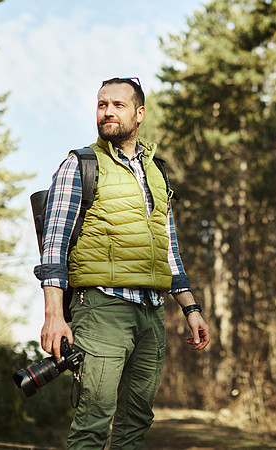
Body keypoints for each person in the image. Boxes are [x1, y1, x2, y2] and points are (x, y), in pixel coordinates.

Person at [34, 77, 210, 449]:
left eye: (117, 105)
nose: (108, 112)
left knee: (136, 423)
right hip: (101, 308)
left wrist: (190, 308)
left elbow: (168, 249)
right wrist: (54, 315)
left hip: (151, 313)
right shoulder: (79, 164)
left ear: (139, 113)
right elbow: (54, 245)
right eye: (102, 105)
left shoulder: (157, 173)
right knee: (93, 423)